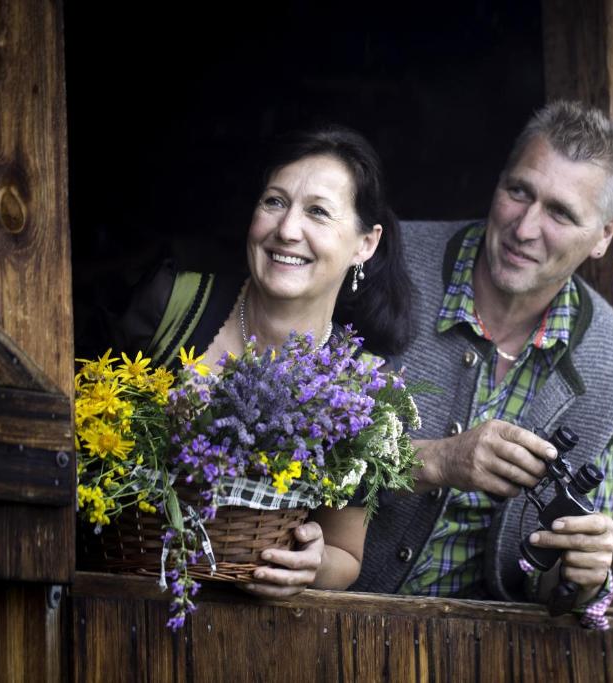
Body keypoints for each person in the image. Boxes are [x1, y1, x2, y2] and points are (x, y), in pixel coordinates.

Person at [353, 101, 613, 629]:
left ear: (605, 234)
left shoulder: (612, 366)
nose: (525, 228)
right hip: (319, 613)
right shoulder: (383, 264)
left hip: (482, 647)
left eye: (560, 212)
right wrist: (435, 460)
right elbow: (291, 448)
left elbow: (550, 586)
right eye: (518, 191)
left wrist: (581, 575)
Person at [116, 125, 413, 597]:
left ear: (366, 244)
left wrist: (311, 565)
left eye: (317, 212)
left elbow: (344, 555)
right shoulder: (171, 306)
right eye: (274, 202)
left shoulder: (362, 389)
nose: (287, 230)